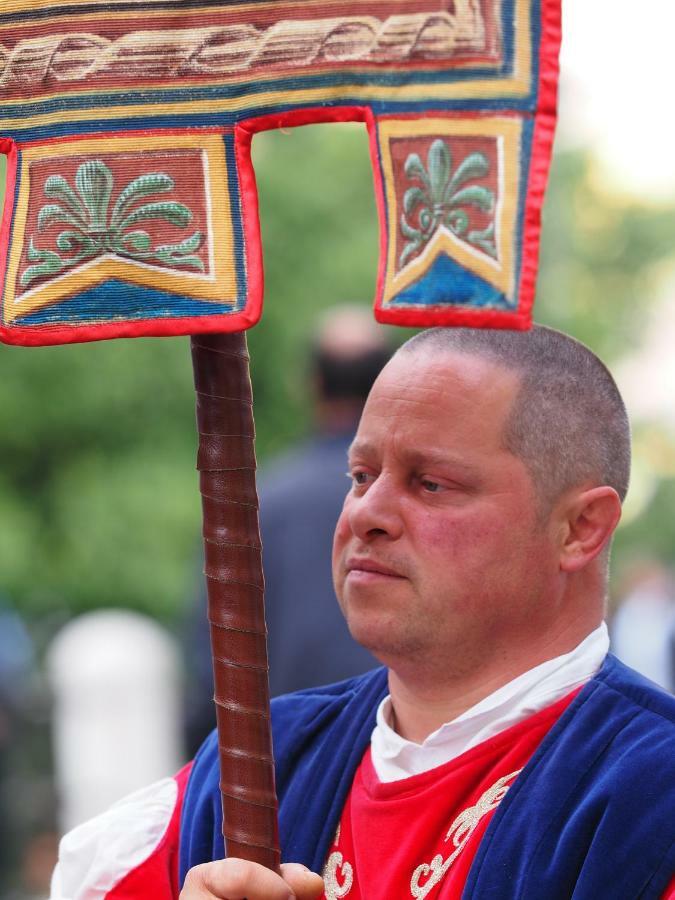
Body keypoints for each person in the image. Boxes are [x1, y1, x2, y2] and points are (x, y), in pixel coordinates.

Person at [51, 325, 675, 899]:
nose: (365, 514)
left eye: (431, 483)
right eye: (361, 474)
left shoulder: (650, 794)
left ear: (579, 528)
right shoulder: (261, 761)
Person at [183, 306, 388, 754]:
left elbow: (214, 653)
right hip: (404, 740)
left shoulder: (259, 500)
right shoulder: (437, 497)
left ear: (311, 384)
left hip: (290, 753)